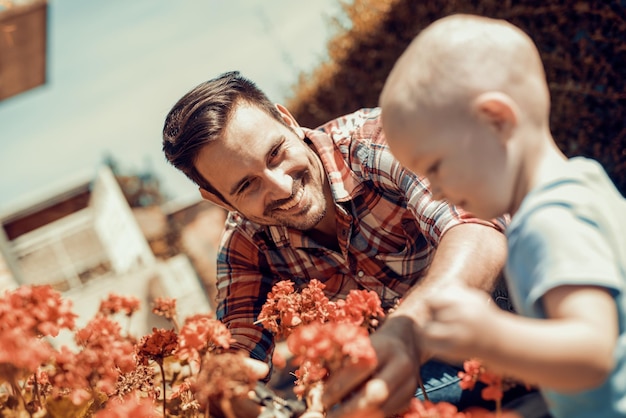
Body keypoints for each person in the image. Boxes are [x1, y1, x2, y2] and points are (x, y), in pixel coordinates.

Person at [162, 71, 521, 417]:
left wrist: (407, 330)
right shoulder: (245, 245)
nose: (282, 187)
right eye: (246, 186)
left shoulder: (377, 140)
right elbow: (235, 350)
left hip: (520, 310)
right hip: (428, 366)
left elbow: (477, 230)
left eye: (275, 154)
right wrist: (229, 390)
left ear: (287, 120)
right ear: (219, 200)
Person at [380, 13, 626, 418]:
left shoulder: (547, 221)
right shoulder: (585, 180)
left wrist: (488, 335)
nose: (435, 190)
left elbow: (593, 351)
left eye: (436, 167)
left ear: (496, 120)